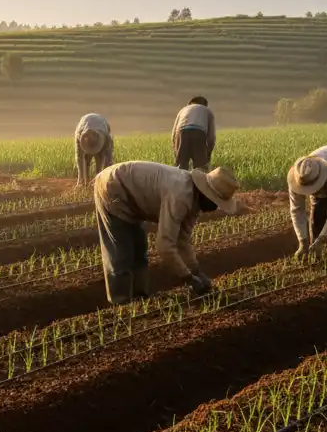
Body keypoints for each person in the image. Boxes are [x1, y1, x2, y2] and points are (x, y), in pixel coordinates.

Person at [92, 161, 241, 304]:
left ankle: (139, 298)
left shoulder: (194, 200)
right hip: (113, 185)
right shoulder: (180, 196)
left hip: (132, 195)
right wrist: (187, 277)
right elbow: (165, 246)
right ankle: (121, 304)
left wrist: (196, 271)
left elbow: (182, 240)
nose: (215, 208)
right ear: (207, 194)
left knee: (139, 249)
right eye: (215, 202)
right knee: (121, 251)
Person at [171, 96, 216, 170]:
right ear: (205, 104)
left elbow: (174, 133)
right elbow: (211, 136)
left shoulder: (183, 110)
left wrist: (176, 152)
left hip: (182, 133)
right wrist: (208, 154)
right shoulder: (207, 111)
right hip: (199, 134)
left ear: (190, 103)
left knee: (180, 168)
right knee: (200, 168)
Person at [74, 113, 114, 186]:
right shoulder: (79, 135)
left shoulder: (105, 136)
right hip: (84, 125)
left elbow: (108, 159)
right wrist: (81, 181)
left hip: (103, 127)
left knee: (100, 159)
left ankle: (98, 181)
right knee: (86, 160)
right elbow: (79, 157)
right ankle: (85, 181)